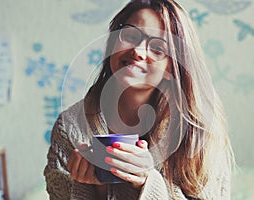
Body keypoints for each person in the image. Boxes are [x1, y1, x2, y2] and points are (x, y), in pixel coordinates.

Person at [44, 0, 235, 199]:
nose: (138, 51)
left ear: (172, 68)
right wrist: (92, 187)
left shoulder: (198, 128)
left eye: (158, 48)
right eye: (130, 35)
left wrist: (147, 182)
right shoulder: (71, 128)